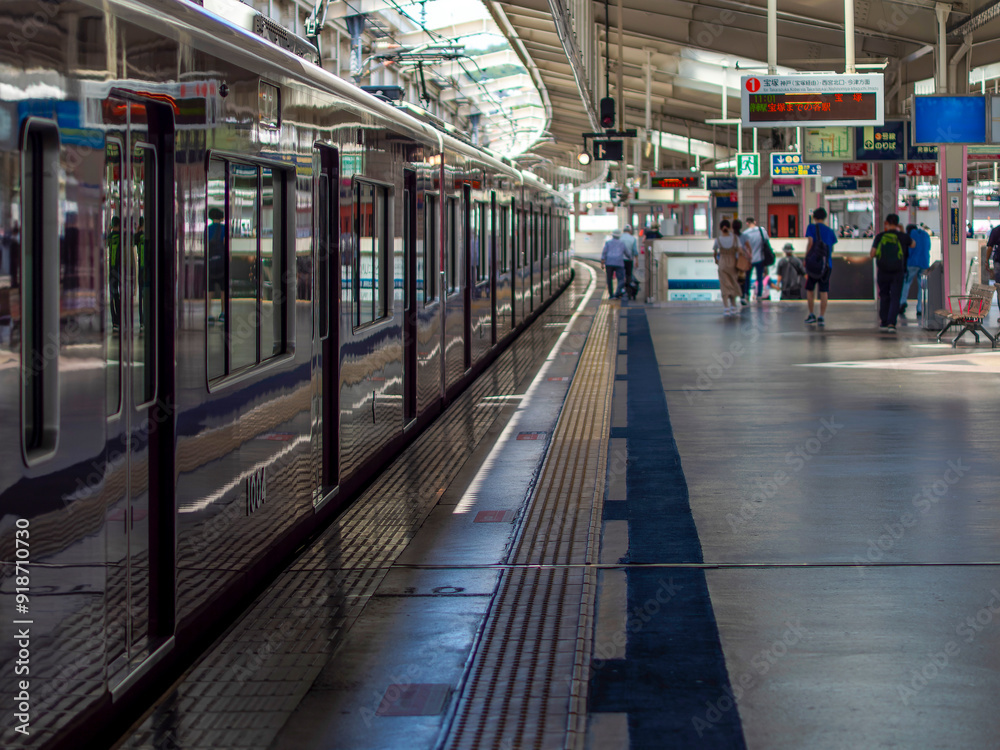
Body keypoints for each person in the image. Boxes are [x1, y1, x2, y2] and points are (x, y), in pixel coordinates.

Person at [870, 213, 915, 331]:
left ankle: (883, 322)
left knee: (884, 295)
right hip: (898, 272)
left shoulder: (880, 236)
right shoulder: (902, 236)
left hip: (883, 272)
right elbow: (913, 244)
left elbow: (872, 254)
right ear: (898, 224)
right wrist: (902, 231)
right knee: (895, 297)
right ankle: (891, 323)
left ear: (886, 223)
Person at [804, 207, 838, 326]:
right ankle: (822, 316)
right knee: (824, 290)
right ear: (825, 217)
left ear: (814, 217)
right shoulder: (830, 231)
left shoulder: (811, 227)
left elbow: (810, 243)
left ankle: (811, 314)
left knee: (810, 289)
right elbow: (831, 248)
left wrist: (806, 258)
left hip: (814, 263)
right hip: (827, 264)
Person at [712, 219, 743, 316]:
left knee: (724, 285)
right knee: (733, 283)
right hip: (733, 263)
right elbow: (740, 251)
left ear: (720, 228)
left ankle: (726, 308)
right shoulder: (735, 238)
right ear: (729, 228)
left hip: (722, 263)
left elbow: (715, 252)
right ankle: (733, 306)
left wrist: (717, 261)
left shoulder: (718, 239)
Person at [900, 223, 931, 317]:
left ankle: (902, 302)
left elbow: (907, 250)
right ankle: (920, 308)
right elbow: (928, 247)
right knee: (921, 286)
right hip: (924, 263)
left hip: (912, 263)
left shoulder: (910, 235)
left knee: (906, 282)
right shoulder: (925, 234)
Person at [740, 217, 771, 303]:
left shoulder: (745, 234)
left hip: (749, 259)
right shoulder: (761, 231)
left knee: (747, 277)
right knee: (760, 278)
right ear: (755, 222)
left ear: (747, 223)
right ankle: (759, 296)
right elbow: (766, 241)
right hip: (760, 258)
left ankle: (746, 294)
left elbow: (743, 247)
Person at [601, 228, 627, 299]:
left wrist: (602, 262)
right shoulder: (622, 243)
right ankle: (617, 294)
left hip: (609, 263)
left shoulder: (608, 243)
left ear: (612, 235)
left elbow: (604, 253)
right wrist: (630, 258)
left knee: (609, 279)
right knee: (621, 279)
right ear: (619, 236)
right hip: (619, 263)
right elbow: (627, 253)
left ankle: (611, 295)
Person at [731, 218, 747, 304]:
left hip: (731, 261)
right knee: (742, 280)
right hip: (741, 261)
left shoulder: (730, 237)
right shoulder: (744, 236)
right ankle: (742, 296)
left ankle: (732, 297)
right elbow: (748, 248)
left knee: (732, 279)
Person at [621, 225, 638, 289]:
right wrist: (636, 261)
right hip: (629, 259)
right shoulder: (633, 238)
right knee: (629, 274)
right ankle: (628, 287)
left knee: (621, 274)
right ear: (630, 231)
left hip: (620, 259)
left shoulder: (620, 238)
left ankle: (622, 288)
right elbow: (635, 250)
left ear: (623, 231)